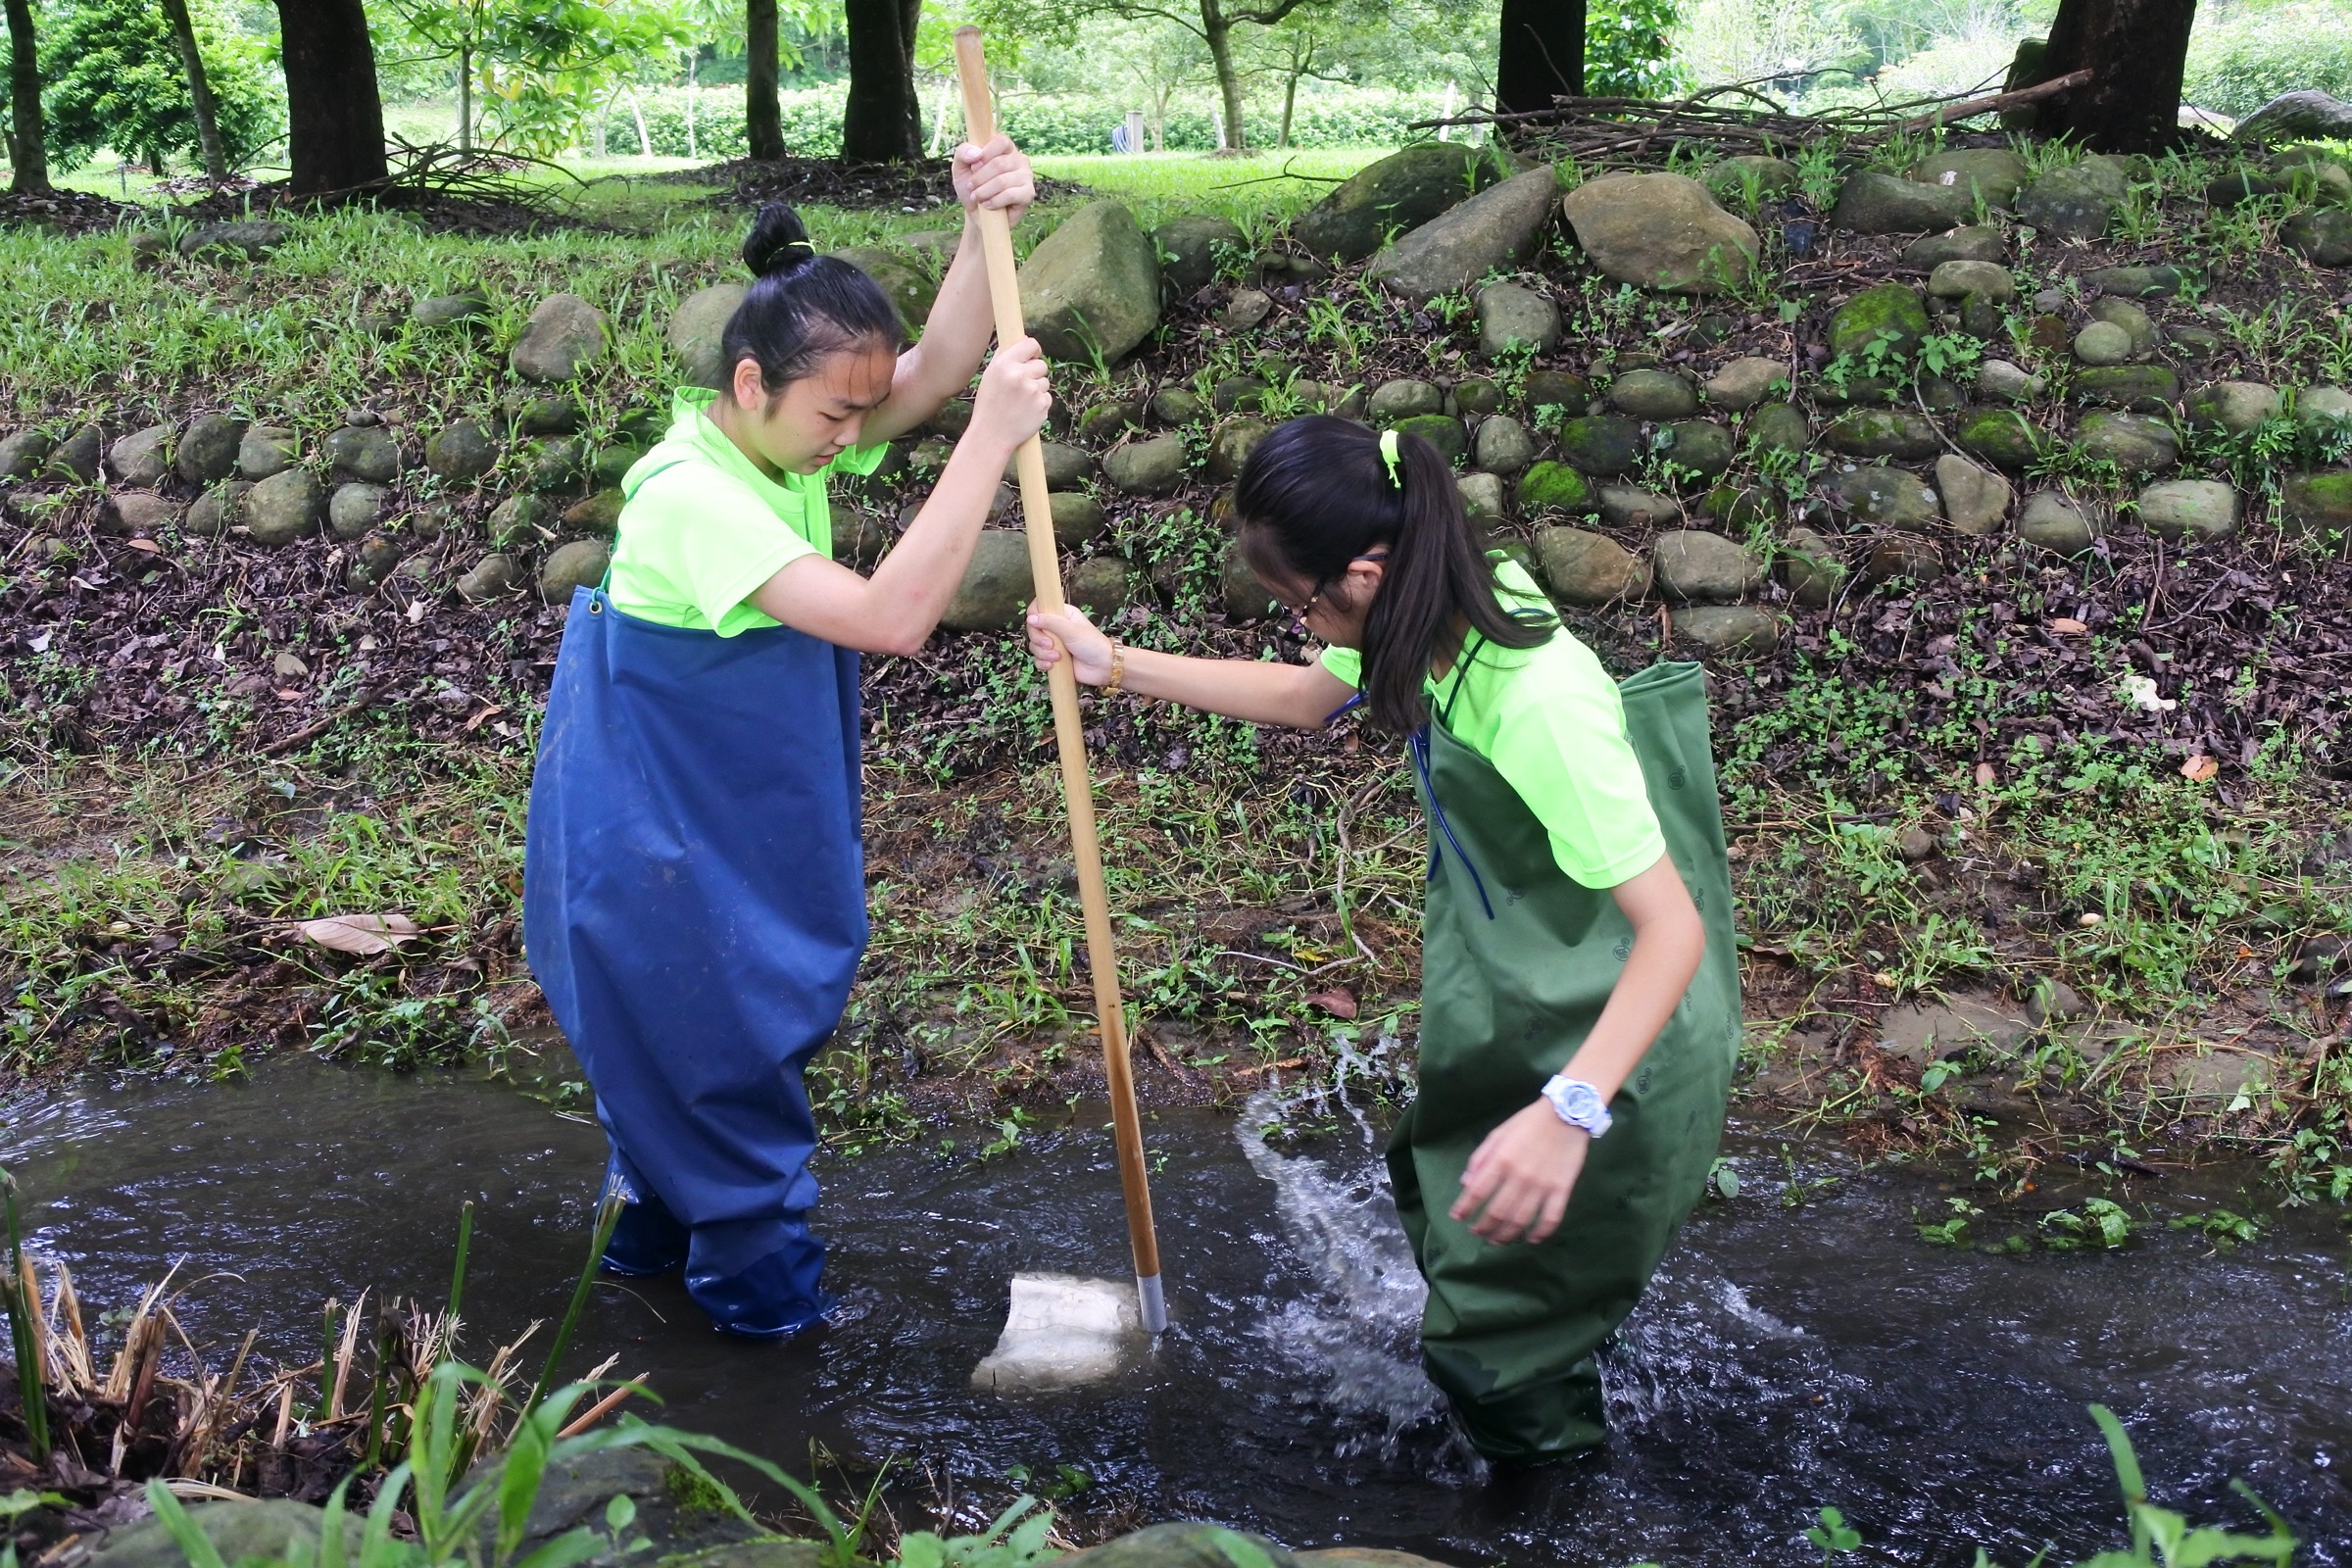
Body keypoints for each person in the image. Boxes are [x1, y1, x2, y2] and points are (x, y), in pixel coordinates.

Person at [1023, 416, 1741, 1463]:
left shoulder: (1537, 703)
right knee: (1454, 1198)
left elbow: (1672, 934)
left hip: (1629, 1020)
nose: (1303, 623)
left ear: (1364, 572)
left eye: (1301, 603)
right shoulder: (1433, 597)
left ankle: (1553, 1498)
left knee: (1499, 1348)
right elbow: (1313, 694)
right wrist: (1116, 665)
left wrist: (1568, 1111)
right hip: (1539, 975)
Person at [523, 136, 1051, 1339]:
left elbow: (938, 363)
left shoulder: (769, 445)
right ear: (751, 381)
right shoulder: (694, 498)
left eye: (860, 414)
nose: (853, 435)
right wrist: (985, 440)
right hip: (658, 860)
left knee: (670, 1123)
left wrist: (981, 225)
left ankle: (640, 1298)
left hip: (701, 829)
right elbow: (890, 619)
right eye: (835, 414)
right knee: (722, 1080)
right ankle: (770, 1382)